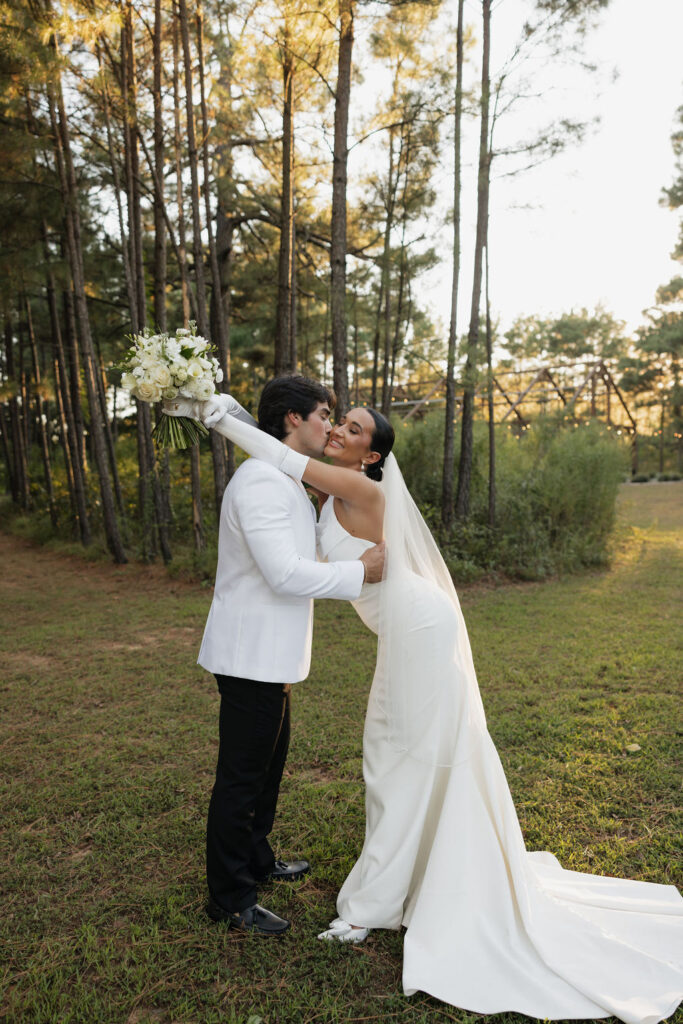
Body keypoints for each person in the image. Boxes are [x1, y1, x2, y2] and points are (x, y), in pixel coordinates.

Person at [166, 393, 683, 1023]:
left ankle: (372, 905)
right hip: (405, 628)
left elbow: (282, 446)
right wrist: (218, 409)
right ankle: (404, 877)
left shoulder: (359, 490)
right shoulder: (322, 482)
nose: (336, 430)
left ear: (371, 454)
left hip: (417, 626)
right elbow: (282, 443)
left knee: (396, 757)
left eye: (351, 428)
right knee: (401, 754)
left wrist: (216, 415)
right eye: (334, 420)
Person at [170, 376, 385, 937]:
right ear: (293, 419)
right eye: (323, 414)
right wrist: (360, 573)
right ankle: (231, 897)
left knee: (268, 770)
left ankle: (259, 860)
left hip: (274, 656)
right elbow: (285, 574)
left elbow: (300, 552)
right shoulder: (261, 481)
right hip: (249, 657)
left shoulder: (285, 477)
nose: (330, 425)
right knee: (240, 778)